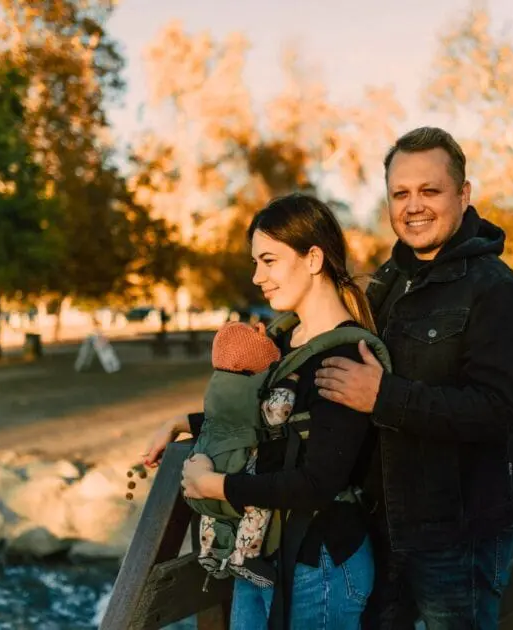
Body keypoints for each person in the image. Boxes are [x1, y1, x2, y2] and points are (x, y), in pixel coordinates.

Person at [315, 127, 513, 629]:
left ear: (464, 194)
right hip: (384, 525)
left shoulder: (494, 290)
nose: (413, 206)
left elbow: (497, 412)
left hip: (460, 531)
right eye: (401, 193)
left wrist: (383, 397)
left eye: (430, 191)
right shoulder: (386, 283)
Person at [141, 193, 380, 630]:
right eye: (256, 262)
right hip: (262, 555)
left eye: (268, 260)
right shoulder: (284, 343)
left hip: (319, 563)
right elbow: (271, 425)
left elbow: (317, 484)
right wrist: (182, 422)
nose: (257, 277)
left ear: (313, 258)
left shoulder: (345, 355)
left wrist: (217, 485)